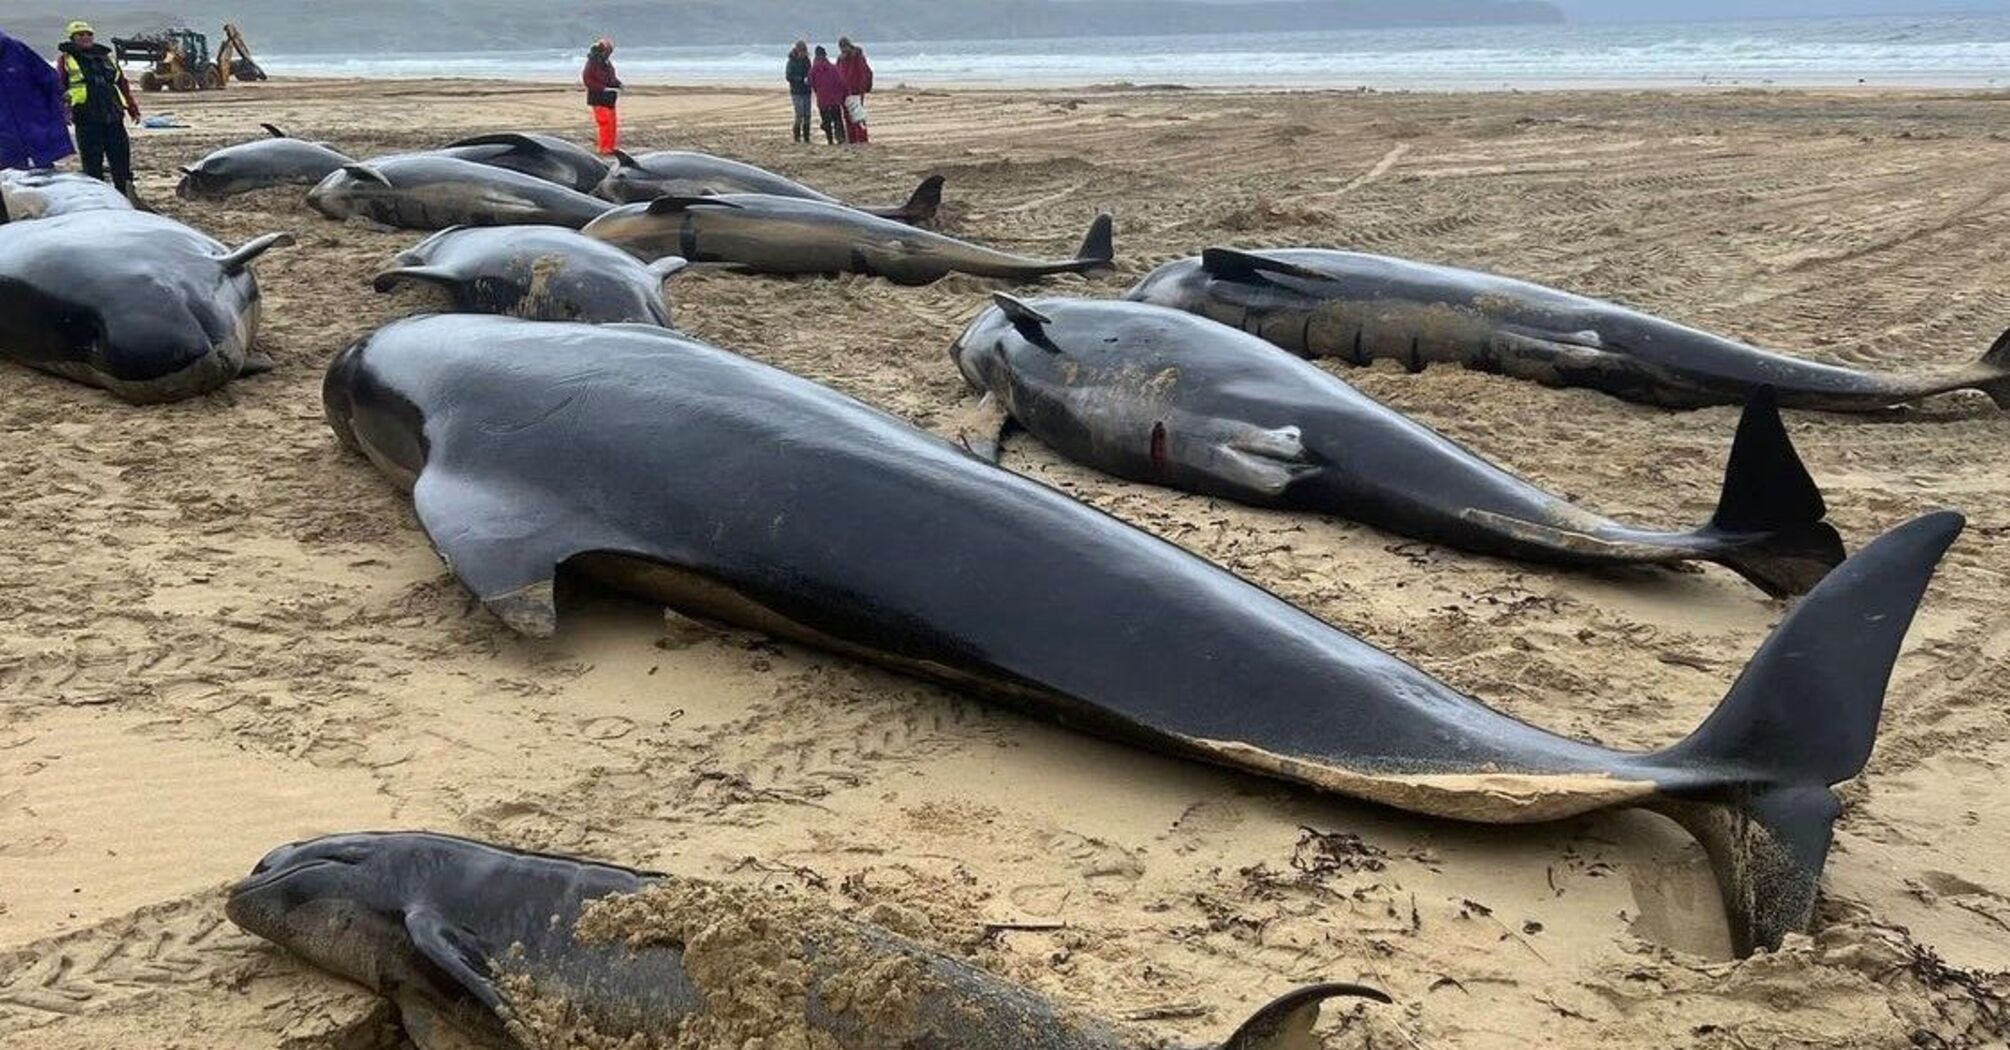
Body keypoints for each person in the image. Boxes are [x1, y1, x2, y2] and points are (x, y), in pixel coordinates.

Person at [54, 21, 140, 197]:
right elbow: (59, 87)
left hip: (113, 116)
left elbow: (122, 84)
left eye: (88, 34)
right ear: (72, 38)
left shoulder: (107, 57)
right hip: (87, 118)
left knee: (121, 160)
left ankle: (126, 194)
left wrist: (132, 106)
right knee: (92, 163)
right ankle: (99, 198)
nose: (85, 37)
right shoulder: (66, 60)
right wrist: (63, 111)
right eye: (80, 35)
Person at [583, 37, 622, 155]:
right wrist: (603, 88)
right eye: (608, 51)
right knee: (605, 123)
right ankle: (604, 148)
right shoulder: (592, 62)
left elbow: (611, 77)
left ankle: (610, 147)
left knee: (612, 123)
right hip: (598, 97)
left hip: (609, 97)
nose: (609, 53)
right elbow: (587, 79)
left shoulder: (606, 62)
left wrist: (618, 84)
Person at [836, 37, 873, 144]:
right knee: (848, 116)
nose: (843, 50)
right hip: (844, 92)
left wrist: (861, 89)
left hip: (856, 91)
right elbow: (838, 74)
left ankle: (862, 139)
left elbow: (864, 73)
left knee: (858, 116)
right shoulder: (841, 59)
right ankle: (852, 139)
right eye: (841, 48)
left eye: (844, 47)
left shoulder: (857, 57)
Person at [808, 45, 846, 145]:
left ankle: (830, 140)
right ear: (825, 56)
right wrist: (843, 93)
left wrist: (817, 90)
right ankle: (840, 138)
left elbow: (811, 83)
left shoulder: (814, 70)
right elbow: (840, 82)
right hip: (834, 99)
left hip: (822, 99)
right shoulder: (833, 68)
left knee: (826, 120)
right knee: (837, 119)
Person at [785, 41, 812, 144]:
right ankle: (797, 137)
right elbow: (788, 76)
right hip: (796, 91)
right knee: (799, 115)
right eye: (801, 52)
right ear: (797, 51)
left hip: (806, 90)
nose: (803, 54)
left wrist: (809, 80)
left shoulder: (807, 60)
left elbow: (810, 72)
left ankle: (806, 137)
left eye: (804, 52)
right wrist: (800, 79)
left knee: (807, 115)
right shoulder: (791, 61)